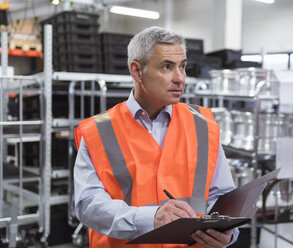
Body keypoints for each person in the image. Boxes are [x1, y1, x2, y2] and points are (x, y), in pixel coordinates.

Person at [73, 26, 239, 247]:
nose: (180, 78)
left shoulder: (204, 124)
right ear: (136, 71)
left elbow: (224, 196)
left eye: (182, 66)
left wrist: (227, 233)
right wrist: (149, 218)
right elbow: (88, 205)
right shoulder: (98, 131)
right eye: (167, 67)